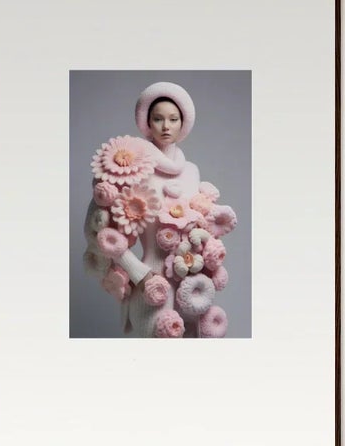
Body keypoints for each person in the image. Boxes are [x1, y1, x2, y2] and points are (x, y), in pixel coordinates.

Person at [84, 80, 236, 338]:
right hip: (151, 282)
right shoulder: (133, 169)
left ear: (183, 124)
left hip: (192, 280)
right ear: (147, 122)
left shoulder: (191, 171)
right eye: (158, 119)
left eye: (173, 119)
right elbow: (100, 231)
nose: (166, 126)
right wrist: (138, 274)